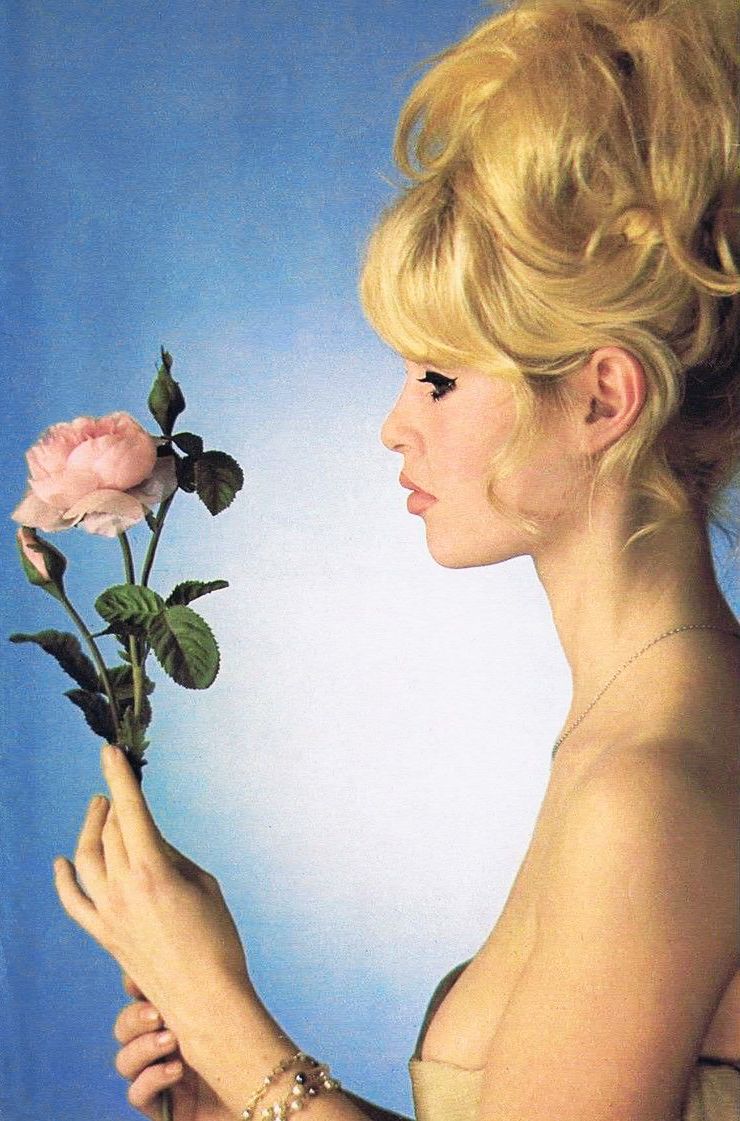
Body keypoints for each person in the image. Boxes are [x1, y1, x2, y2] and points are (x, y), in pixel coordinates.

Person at [54, 0, 740, 1119]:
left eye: (438, 378)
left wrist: (218, 1012)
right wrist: (235, 1096)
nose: (394, 424)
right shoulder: (645, 719)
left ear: (601, 398)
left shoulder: (646, 784)